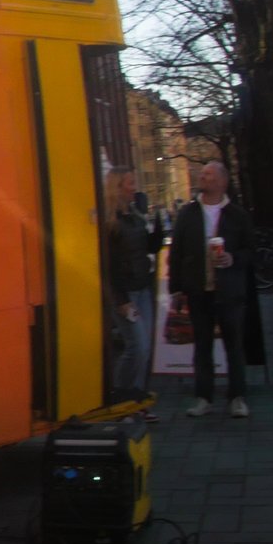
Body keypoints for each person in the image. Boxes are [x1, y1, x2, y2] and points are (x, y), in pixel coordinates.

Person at [168, 160, 253, 417]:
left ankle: (237, 397)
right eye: (202, 174)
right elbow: (177, 252)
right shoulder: (188, 213)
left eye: (209, 175)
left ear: (222, 182)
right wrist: (176, 289)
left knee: (234, 344)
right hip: (198, 289)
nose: (203, 178)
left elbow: (251, 251)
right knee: (202, 345)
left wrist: (233, 259)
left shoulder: (237, 215)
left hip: (229, 290)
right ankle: (203, 397)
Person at [105, 167, 161, 401]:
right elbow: (108, 263)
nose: (134, 187)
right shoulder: (111, 221)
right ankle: (122, 395)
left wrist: (157, 228)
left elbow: (149, 247)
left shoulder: (136, 214)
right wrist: (121, 300)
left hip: (142, 288)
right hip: (126, 293)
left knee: (144, 348)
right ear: (117, 187)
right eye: (130, 183)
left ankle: (136, 400)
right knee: (136, 346)